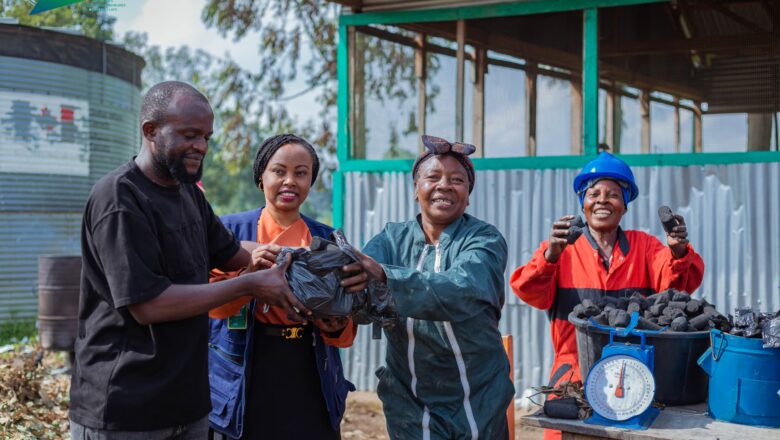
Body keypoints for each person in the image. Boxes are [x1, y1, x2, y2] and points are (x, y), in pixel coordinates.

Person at [69, 82, 307, 439]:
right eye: (190, 135)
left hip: (187, 405)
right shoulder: (119, 199)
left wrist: (299, 260)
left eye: (207, 137)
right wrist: (248, 284)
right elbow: (148, 305)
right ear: (150, 131)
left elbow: (232, 252)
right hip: (126, 410)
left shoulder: (186, 194)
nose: (202, 146)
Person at [509, 152, 704, 440]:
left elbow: (678, 289)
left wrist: (678, 252)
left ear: (625, 205)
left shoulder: (646, 248)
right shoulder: (561, 250)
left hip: (637, 381)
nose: (602, 200)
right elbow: (529, 290)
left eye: (613, 194)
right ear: (583, 203)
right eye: (594, 194)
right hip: (572, 380)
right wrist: (550, 255)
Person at [340, 135, 515, 440]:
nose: (444, 185)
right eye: (432, 177)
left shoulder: (484, 240)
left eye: (457, 179)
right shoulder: (391, 239)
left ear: (469, 194)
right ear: (415, 189)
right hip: (409, 400)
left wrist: (384, 276)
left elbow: (463, 290)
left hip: (477, 399)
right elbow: (360, 295)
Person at [207, 134, 356, 440]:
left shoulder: (328, 240)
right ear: (261, 176)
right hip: (244, 371)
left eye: (301, 173)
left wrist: (334, 322)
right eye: (279, 171)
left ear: (311, 181)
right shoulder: (228, 232)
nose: (290, 181)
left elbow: (345, 335)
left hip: (310, 373)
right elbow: (213, 309)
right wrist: (249, 277)